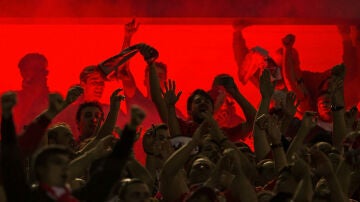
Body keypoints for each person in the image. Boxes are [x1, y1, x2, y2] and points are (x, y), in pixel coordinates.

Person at [1, 90, 143, 202]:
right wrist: (7, 118)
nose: (65, 167)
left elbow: (106, 178)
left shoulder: (78, 197)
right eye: (57, 162)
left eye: (65, 163)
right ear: (40, 169)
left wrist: (128, 134)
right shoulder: (25, 197)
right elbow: (11, 161)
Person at [11, 53, 50, 133]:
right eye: (36, 69)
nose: (45, 73)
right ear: (23, 73)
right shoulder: (11, 101)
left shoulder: (53, 102)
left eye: (44, 69)